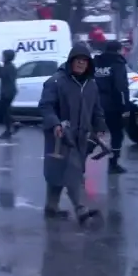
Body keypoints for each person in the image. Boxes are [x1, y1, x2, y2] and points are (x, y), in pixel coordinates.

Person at [39, 45, 106, 223]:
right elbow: (46, 106)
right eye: (78, 60)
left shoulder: (91, 84)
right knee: (72, 171)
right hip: (60, 136)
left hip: (81, 136)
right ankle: (81, 208)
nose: (81, 64)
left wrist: (100, 126)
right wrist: (54, 123)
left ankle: (51, 207)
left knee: (59, 171)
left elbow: (97, 110)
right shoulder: (56, 81)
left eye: (84, 61)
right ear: (71, 62)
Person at [93, 39, 130, 174]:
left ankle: (79, 164)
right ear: (118, 50)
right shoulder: (118, 63)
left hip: (95, 104)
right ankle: (113, 163)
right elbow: (120, 87)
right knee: (117, 134)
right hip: (113, 106)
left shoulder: (95, 63)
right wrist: (125, 107)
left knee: (94, 133)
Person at [0, 49, 18, 140]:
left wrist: (5, 93)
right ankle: (14, 125)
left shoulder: (9, 67)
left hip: (7, 92)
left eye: (3, 55)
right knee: (6, 111)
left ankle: (8, 130)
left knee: (6, 112)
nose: (1, 57)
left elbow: (10, 81)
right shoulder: (7, 66)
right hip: (7, 91)